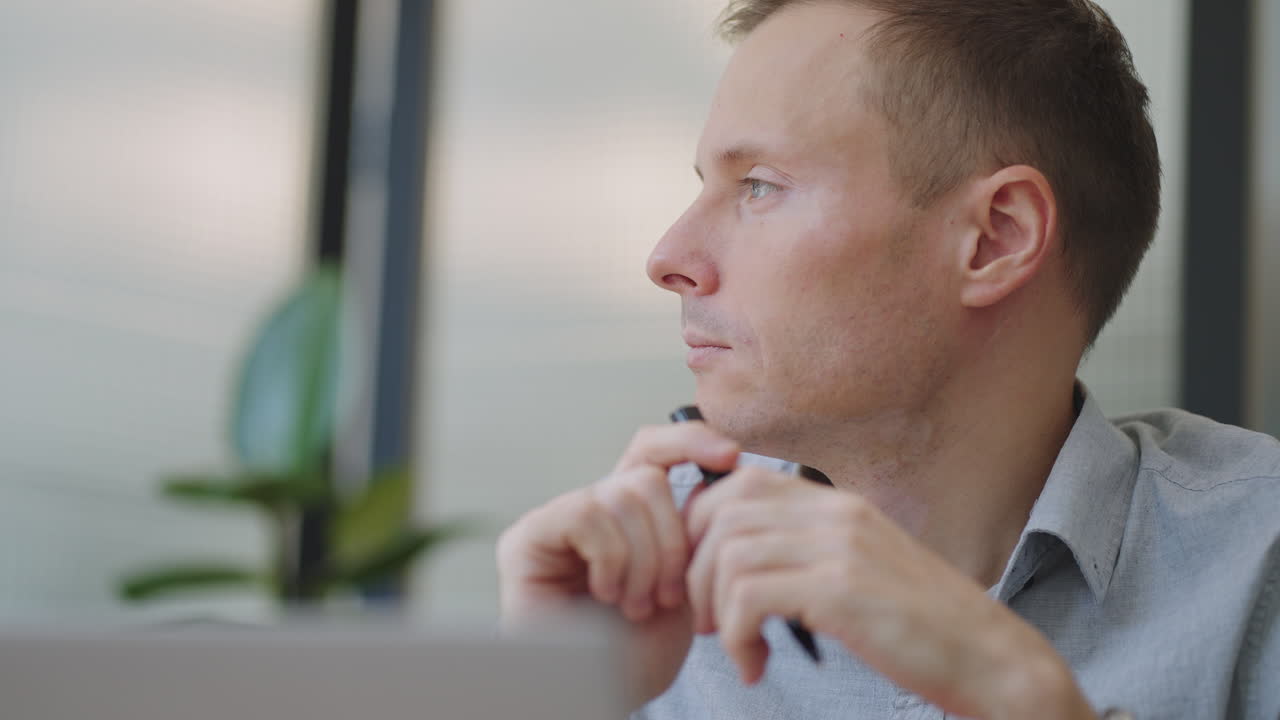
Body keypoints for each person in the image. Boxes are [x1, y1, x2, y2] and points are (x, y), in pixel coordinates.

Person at [496, 1, 1280, 717]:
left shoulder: (1258, 563)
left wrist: (1024, 696)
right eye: (710, 185)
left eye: (759, 187)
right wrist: (550, 699)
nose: (668, 258)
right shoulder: (637, 591)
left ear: (995, 238)